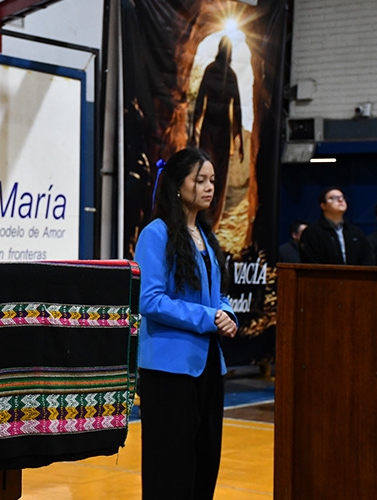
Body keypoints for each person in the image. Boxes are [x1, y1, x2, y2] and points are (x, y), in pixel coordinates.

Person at [135, 147, 238, 499]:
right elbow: (149, 300)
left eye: (212, 180)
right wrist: (209, 318)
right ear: (179, 186)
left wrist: (227, 314)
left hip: (207, 364)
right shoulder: (156, 233)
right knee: (171, 467)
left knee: (205, 461)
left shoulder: (207, 237)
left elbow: (217, 296)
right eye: (201, 180)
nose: (210, 187)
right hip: (168, 369)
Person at [190, 35, 244, 225]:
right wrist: (194, 129)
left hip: (222, 129)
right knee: (206, 170)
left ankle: (213, 217)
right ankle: (202, 213)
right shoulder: (212, 71)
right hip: (211, 127)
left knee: (219, 173)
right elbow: (200, 101)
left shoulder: (230, 75)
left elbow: (236, 107)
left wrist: (240, 140)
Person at [300, 187, 373, 265]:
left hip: (354, 276)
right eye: (334, 198)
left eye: (342, 197)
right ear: (323, 205)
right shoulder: (312, 232)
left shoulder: (356, 232)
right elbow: (310, 261)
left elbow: (367, 259)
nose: (340, 200)